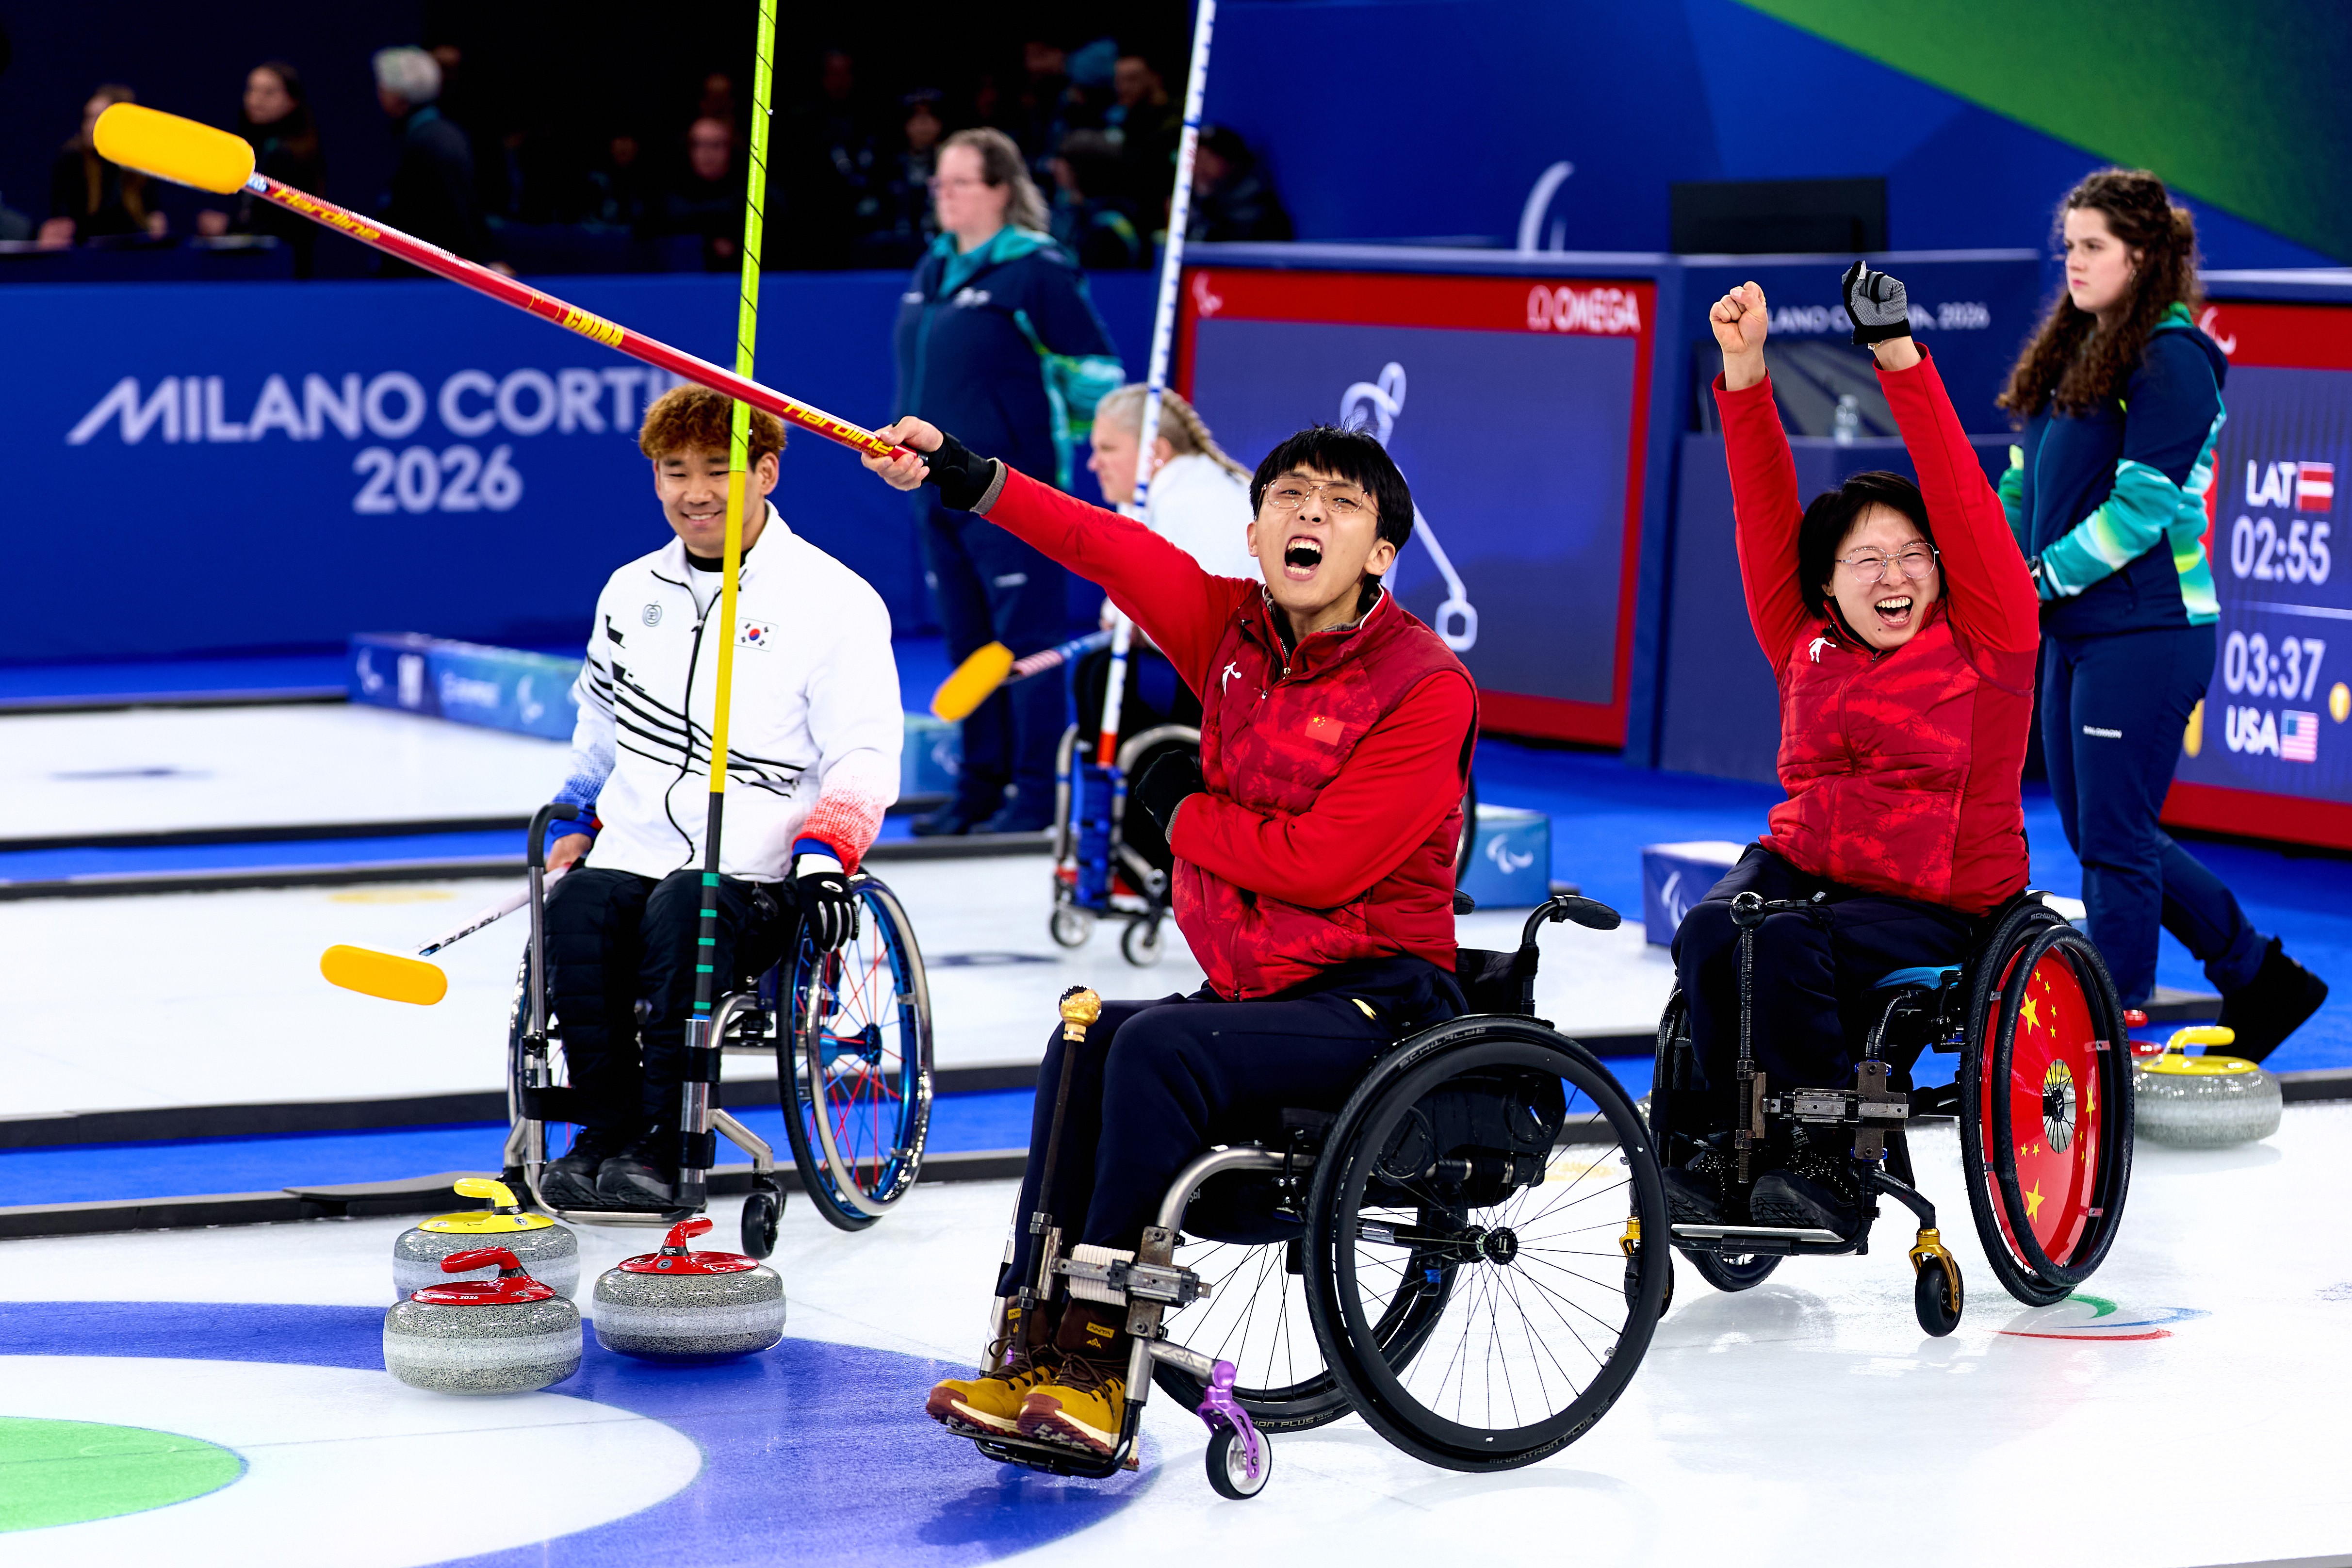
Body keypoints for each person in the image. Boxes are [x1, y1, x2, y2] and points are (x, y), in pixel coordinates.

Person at [865, 411, 1476, 1459]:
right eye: (1288, 498)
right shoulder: (1228, 629)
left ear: (1380, 554)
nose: (1308, 515)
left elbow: (1324, 862)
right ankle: (1031, 1342)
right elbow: (1104, 543)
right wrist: (963, 473)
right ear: (1254, 532)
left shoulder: (1426, 684)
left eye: (1340, 505)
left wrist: (1180, 811)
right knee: (1086, 1033)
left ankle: (1102, 1361)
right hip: (1255, 991)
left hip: (1376, 996)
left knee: (1154, 1044)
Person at [1666, 265, 2042, 1238]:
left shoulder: (1989, 641)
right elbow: (1761, 509)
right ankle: (1723, 1148)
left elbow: (1960, 494)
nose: (1894, 575)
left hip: (1938, 898)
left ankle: (1831, 1163)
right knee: (1715, 930)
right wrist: (1744, 368)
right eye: (1866, 560)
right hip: (1806, 865)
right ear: (1827, 585)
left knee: (1784, 938)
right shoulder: (1803, 639)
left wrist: (1897, 354)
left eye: (1913, 556)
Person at [535, 385, 902, 1208]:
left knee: (686, 907)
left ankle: (670, 1142)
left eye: (719, 470)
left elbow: (866, 750)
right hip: (636, 849)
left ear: (766, 472)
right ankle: (605, 1133)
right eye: (675, 472)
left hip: (757, 874)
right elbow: (599, 724)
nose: (695, 492)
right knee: (576, 907)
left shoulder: (832, 599)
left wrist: (826, 852)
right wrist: (576, 812)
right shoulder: (630, 591)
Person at [1999, 169, 2327, 1061]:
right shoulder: (2087, 345)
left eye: (2092, 246)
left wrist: (2035, 580)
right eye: (2066, 244)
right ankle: (2259, 975)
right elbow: (2038, 482)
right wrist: (1997, 546)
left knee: (2111, 838)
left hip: (2146, 633)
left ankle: (2109, 1028)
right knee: (2104, 831)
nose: (2071, 261)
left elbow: (2137, 512)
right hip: (2081, 628)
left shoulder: (2171, 359)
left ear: (2141, 258)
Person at [892, 127, 1123, 836]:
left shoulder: (1037, 270)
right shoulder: (934, 267)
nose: (945, 196)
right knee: (969, 643)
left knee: (1027, 643)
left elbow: (1098, 378)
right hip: (936, 485)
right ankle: (980, 789)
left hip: (1010, 491)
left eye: (960, 182)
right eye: (939, 183)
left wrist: (1068, 449)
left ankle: (1031, 799)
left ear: (1000, 189)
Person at [1073, 385, 1255, 879]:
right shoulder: (1187, 488)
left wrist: (1128, 627)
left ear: (1155, 451)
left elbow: (1202, 624)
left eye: (1108, 449)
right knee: (1103, 675)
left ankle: (1149, 853)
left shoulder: (1187, 503)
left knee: (1100, 677)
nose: (1094, 464)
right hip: (1227, 673)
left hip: (1244, 686)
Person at [194, 62, 327, 277]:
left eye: (269, 93)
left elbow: (289, 226)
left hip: (281, 273)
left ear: (293, 100)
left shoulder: (292, 155)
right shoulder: (255, 148)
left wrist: (228, 227)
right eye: (252, 90)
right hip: (251, 271)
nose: (256, 100)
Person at [372, 47, 487, 271]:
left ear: (398, 93)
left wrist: (477, 263)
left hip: (433, 276)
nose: (379, 93)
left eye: (383, 87)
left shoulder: (435, 141)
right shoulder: (422, 134)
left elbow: (459, 210)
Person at [44, 84, 166, 245]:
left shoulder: (140, 164)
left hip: (133, 255)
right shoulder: (70, 161)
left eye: (98, 118)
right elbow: (62, 222)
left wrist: (155, 225)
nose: (89, 127)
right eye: (87, 118)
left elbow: (153, 218)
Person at [652, 116, 744, 272]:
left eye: (716, 145)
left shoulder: (754, 197)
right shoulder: (665, 198)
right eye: (699, 145)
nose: (707, 153)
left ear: (730, 148)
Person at [1048, 130, 1143, 272]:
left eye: (1062, 159)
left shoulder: (1107, 226)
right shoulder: (1075, 215)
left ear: (1080, 168)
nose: (1052, 166)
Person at [1186, 126, 1291, 244]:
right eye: (1195, 158)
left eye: (1209, 157)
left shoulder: (1266, 218)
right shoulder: (1191, 209)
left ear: (1235, 164)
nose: (1199, 167)